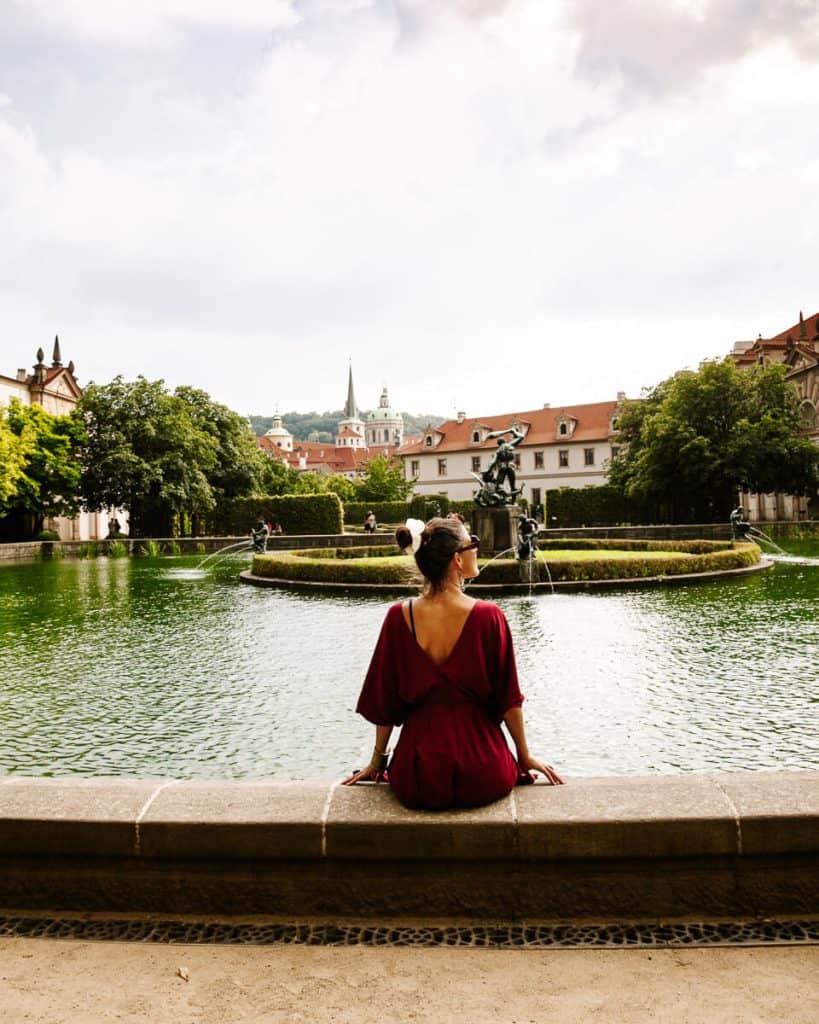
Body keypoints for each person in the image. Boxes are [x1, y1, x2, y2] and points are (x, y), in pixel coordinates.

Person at [343, 517, 563, 809]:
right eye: (473, 543)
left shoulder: (399, 617)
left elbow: (385, 700)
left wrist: (377, 762)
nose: (477, 549)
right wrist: (523, 756)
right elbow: (509, 699)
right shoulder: (489, 616)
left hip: (417, 772)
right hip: (484, 768)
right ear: (458, 559)